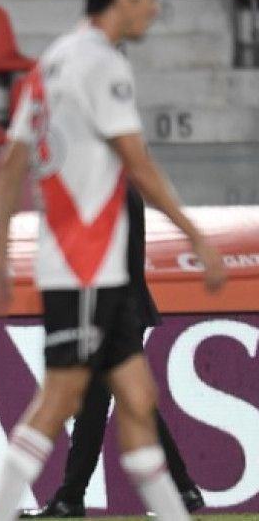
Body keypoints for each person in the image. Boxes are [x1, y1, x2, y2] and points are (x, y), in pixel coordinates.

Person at [0, 0, 226, 520]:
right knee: (59, 400)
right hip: (85, 265)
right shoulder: (102, 63)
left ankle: (176, 510)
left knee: (137, 401)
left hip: (93, 267)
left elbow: (12, 161)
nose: (154, 10)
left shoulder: (52, 61)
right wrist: (195, 235)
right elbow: (138, 163)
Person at [20, 184, 204, 518]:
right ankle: (179, 490)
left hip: (112, 311)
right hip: (116, 310)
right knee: (106, 405)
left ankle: (73, 499)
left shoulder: (109, 191)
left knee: (105, 405)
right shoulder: (118, 188)